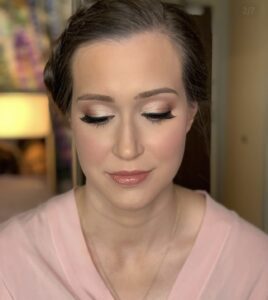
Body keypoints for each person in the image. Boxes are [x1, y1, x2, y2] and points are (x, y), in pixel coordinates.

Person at [0, 1, 267, 299]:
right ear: (70, 119)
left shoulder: (253, 266)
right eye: (98, 116)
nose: (127, 148)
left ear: (191, 112)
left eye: (156, 112)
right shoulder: (11, 262)